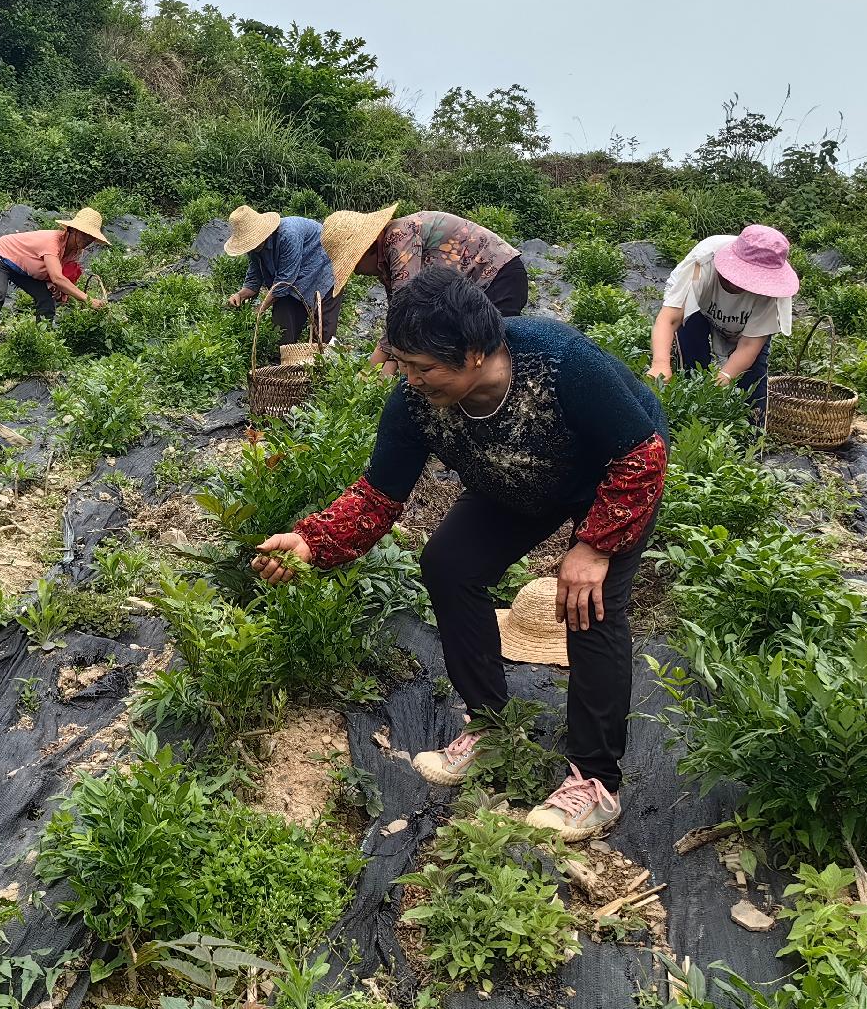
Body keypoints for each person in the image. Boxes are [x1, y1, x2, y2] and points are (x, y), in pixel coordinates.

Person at [252, 267, 668, 841]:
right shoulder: (415, 402)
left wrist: (594, 545)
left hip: (612, 479)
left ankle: (594, 782)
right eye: (403, 363)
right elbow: (379, 493)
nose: (411, 380)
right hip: (519, 477)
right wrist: (312, 540)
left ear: (475, 353)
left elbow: (640, 455)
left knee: (588, 604)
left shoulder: (559, 361)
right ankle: (490, 726)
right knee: (449, 564)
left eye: (425, 367)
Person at [321, 205, 528, 367]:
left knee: (497, 352)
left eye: (354, 264)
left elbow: (403, 311)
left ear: (366, 250)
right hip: (468, 290)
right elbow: (400, 321)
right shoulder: (386, 260)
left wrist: (371, 371)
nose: (357, 272)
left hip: (497, 275)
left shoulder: (399, 236)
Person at [647, 225, 797, 422]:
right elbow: (670, 318)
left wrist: (723, 378)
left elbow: (749, 345)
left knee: (752, 390)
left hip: (744, 330)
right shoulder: (703, 263)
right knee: (692, 364)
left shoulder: (771, 295)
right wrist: (660, 363)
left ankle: (749, 440)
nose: (737, 285)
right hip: (700, 311)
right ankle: (687, 413)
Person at [0, 208, 111, 336]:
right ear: (72, 230)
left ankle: (41, 341)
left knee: (46, 299)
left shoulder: (76, 252)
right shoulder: (52, 242)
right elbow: (57, 278)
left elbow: (56, 274)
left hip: (22, 269)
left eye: (91, 237)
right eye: (85, 234)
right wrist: (88, 300)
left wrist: (53, 285)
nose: (88, 240)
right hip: (0, 257)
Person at [223, 205, 337, 346]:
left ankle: (324, 360)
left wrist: (261, 308)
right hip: (293, 276)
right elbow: (253, 280)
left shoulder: (288, 234)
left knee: (324, 330)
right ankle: (285, 360)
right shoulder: (254, 249)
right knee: (282, 327)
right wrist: (239, 295)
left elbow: (284, 281)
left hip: (323, 266)